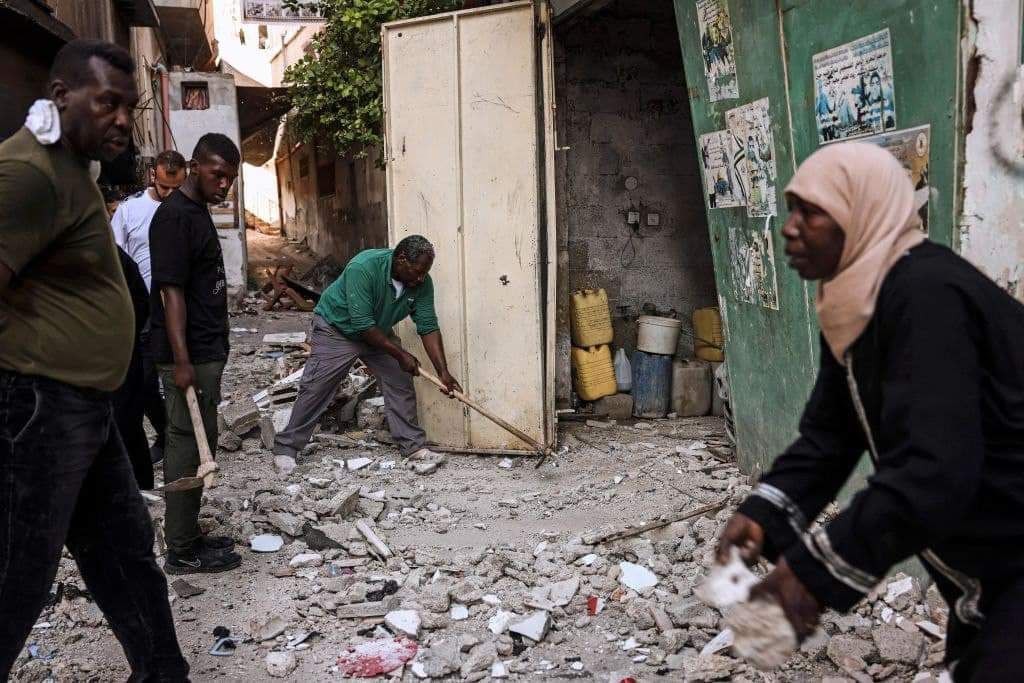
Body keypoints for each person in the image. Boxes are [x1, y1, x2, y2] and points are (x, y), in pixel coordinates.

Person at [716, 142, 1024, 682]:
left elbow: (933, 471)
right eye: (792, 210)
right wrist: (763, 514)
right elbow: (829, 437)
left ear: (862, 216)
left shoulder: (927, 295)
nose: (790, 228)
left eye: (810, 212)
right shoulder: (856, 304)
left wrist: (809, 576)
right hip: (992, 570)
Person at [0, 39, 188, 680]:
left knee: (125, 553)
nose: (119, 118)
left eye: (127, 106)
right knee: (16, 576)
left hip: (86, 407)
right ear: (60, 97)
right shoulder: (27, 175)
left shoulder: (72, 166)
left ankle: (164, 672)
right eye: (106, 102)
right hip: (40, 408)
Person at [272, 235, 463, 475]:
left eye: (425, 272)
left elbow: (428, 325)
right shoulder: (363, 267)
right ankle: (286, 449)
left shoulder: (421, 283)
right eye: (417, 271)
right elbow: (362, 324)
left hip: (378, 332)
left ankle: (413, 447)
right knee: (317, 386)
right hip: (337, 328)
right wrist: (401, 354)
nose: (421, 278)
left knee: (399, 380)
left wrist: (442, 372)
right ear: (401, 259)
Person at [149, 133, 241, 574]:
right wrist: (182, 359)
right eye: (217, 173)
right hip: (190, 355)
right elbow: (172, 294)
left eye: (230, 178)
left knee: (201, 441)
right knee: (186, 446)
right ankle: (181, 550)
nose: (224, 184)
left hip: (205, 350)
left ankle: (189, 535)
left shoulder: (196, 212)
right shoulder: (174, 217)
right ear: (194, 165)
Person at [111, 150, 187, 466]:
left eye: (177, 188)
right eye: (165, 187)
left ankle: (183, 440)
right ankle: (165, 432)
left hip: (177, 309)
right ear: (153, 175)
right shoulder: (129, 212)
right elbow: (115, 260)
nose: (170, 194)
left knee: (178, 378)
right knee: (141, 383)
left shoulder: (187, 212)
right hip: (142, 311)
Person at [114, 244, 155, 489]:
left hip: (119, 354)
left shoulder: (111, 256)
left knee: (125, 427)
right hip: (121, 351)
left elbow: (140, 303)